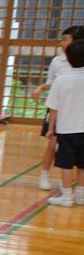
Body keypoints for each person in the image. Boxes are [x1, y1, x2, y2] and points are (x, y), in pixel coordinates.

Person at [32, 25, 83, 191]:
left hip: (76, 111)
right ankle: (45, 174)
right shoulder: (57, 61)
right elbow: (52, 83)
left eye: (65, 39)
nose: (61, 43)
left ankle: (66, 182)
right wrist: (41, 87)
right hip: (58, 109)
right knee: (52, 144)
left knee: (73, 149)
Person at [45, 39, 84, 207]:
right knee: (82, 165)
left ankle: (67, 196)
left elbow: (54, 108)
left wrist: (50, 128)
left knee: (66, 165)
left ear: (67, 58)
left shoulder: (61, 80)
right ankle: (81, 195)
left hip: (67, 129)